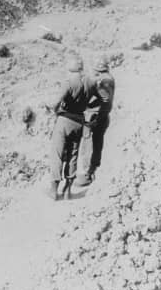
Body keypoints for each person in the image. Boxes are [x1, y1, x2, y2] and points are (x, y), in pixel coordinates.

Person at [47, 55, 96, 200]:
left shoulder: (69, 82)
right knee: (72, 156)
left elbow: (57, 103)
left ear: (70, 69)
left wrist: (54, 110)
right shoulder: (89, 82)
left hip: (65, 120)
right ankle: (68, 191)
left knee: (57, 153)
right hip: (79, 122)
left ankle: (54, 191)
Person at [76, 56, 115, 186]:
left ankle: (87, 173)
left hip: (94, 117)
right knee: (98, 143)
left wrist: (91, 108)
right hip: (103, 116)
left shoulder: (102, 81)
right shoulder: (109, 78)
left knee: (88, 144)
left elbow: (104, 99)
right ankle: (93, 170)